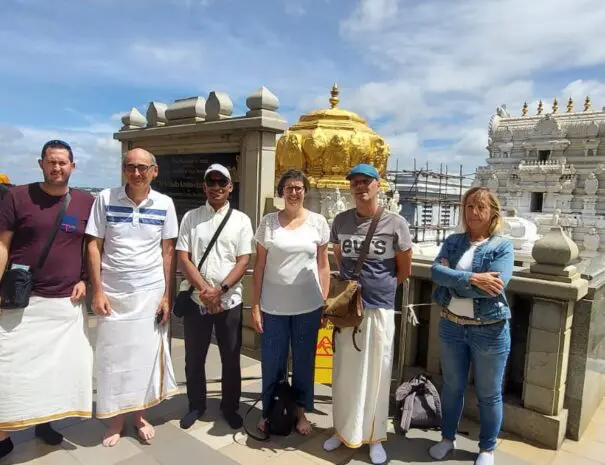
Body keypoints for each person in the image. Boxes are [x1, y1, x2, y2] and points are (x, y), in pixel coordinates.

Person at [0, 140, 94, 459]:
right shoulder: (17, 196)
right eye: (51, 162)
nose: (57, 168)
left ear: (73, 165)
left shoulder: (85, 202)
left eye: (63, 163)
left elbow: (90, 248)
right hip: (21, 300)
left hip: (64, 302)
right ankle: (4, 429)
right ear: (41, 164)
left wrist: (85, 279)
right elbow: (3, 245)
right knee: (11, 369)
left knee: (55, 370)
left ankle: (45, 423)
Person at [86, 148, 178, 447]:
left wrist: (167, 295)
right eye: (130, 167)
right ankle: (114, 419)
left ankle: (138, 415)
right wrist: (97, 290)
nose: (136, 173)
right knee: (112, 357)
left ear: (154, 170)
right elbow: (94, 245)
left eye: (142, 167)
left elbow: (167, 252)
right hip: (113, 292)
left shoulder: (165, 203)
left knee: (142, 357)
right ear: (123, 169)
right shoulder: (105, 199)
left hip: (149, 292)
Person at [323, 163, 412, 465]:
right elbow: (339, 257)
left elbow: (404, 269)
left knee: (377, 373)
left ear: (378, 185)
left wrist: (381, 288)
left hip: (379, 308)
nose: (360, 187)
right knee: (344, 373)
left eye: (366, 182)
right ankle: (343, 429)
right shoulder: (341, 221)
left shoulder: (395, 223)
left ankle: (374, 436)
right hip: (349, 310)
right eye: (355, 183)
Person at [428, 187, 513, 465]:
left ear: (492, 213)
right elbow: (435, 272)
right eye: (469, 207)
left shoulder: (502, 246)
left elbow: (496, 287)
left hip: (489, 329)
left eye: (480, 207)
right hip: (452, 326)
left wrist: (456, 280)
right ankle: (447, 438)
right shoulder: (453, 242)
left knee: (489, 394)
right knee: (452, 387)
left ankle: (487, 448)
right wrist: (475, 279)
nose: (473, 213)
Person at [252, 169, 331, 435]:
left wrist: (324, 300)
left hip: (308, 306)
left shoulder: (318, 222)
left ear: (305, 191)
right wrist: (255, 305)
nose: (294, 192)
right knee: (272, 363)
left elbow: (323, 265)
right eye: (289, 188)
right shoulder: (268, 222)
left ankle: (300, 413)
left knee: (303, 363)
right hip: (273, 306)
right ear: (281, 192)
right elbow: (260, 266)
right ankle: (269, 413)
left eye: (298, 187)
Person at [177, 164, 254, 430]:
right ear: (205, 187)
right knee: (194, 357)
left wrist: (219, 291)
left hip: (228, 300)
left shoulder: (241, 220)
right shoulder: (190, 217)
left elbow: (243, 261)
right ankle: (195, 405)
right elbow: (183, 258)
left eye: (223, 183)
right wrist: (204, 291)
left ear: (230, 187)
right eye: (212, 182)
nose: (217, 187)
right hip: (198, 299)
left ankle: (229, 406)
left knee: (231, 358)